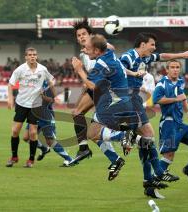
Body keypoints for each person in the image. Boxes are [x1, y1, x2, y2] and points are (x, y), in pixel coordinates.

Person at [72, 34, 178, 186]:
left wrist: (79, 70)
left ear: (96, 50)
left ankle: (125, 137)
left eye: (87, 49)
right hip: (126, 102)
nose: (85, 52)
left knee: (92, 133)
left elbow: (92, 86)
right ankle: (156, 174)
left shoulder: (102, 63)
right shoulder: (110, 54)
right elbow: (108, 48)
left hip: (115, 104)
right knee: (146, 136)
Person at [119, 32, 188, 198]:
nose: (154, 48)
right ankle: (127, 136)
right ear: (143, 44)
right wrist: (133, 74)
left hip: (134, 99)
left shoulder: (145, 58)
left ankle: (149, 182)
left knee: (147, 140)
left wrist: (182, 55)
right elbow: (119, 68)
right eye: (152, 44)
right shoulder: (129, 56)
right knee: (146, 136)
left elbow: (162, 56)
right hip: (125, 98)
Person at [153, 60, 188, 185]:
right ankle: (151, 186)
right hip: (168, 124)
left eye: (177, 67)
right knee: (168, 155)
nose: (175, 69)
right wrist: (175, 99)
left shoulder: (180, 81)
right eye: (172, 67)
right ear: (167, 69)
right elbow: (156, 99)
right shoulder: (162, 84)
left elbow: (182, 96)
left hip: (179, 124)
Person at [71, 18, 115, 163]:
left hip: (106, 89)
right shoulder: (84, 54)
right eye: (79, 35)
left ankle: (131, 139)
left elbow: (111, 48)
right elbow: (91, 76)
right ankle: (83, 149)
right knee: (77, 113)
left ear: (90, 35)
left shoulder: (98, 46)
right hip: (95, 88)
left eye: (84, 33)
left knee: (99, 126)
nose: (82, 37)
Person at [6, 47, 55, 168]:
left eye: (34, 54)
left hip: (35, 105)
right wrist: (10, 98)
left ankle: (31, 160)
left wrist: (51, 90)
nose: (32, 56)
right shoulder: (20, 69)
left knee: (33, 133)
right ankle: (14, 157)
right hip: (21, 104)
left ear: (36, 56)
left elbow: (51, 80)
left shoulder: (42, 69)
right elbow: (10, 84)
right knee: (15, 131)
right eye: (30, 54)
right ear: (26, 57)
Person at [23, 81, 76, 167]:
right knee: (26, 137)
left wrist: (40, 95)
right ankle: (43, 148)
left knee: (50, 141)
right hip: (34, 115)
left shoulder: (49, 89)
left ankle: (68, 159)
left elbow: (50, 101)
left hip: (46, 116)